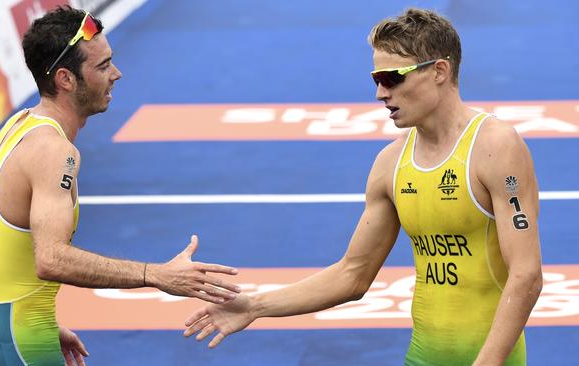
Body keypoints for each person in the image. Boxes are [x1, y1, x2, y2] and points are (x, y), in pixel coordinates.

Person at [184, 8, 542, 366]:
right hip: (422, 357)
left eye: (392, 78)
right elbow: (353, 275)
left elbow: (526, 276)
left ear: (439, 71)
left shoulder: (496, 147)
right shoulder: (390, 164)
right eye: (376, 79)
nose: (379, 93)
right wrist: (255, 306)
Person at [0, 6, 241, 366]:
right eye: (102, 66)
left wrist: (41, 320)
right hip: (21, 346)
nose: (116, 74)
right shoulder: (55, 152)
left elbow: (1, 254)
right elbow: (51, 259)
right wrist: (156, 275)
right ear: (66, 79)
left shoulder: (16, 126)